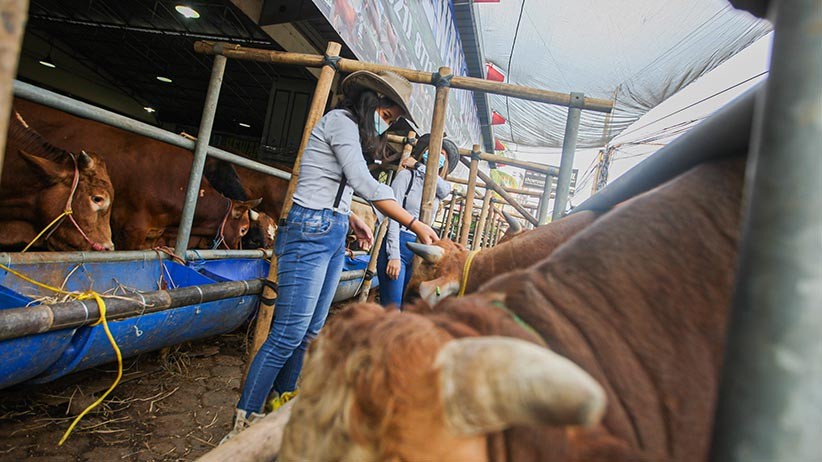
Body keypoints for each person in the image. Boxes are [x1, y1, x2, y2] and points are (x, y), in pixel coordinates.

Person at [222, 70, 439, 442]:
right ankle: (243, 422)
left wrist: (351, 217)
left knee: (310, 333)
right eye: (385, 115)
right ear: (371, 100)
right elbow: (362, 181)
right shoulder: (339, 121)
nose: (384, 123)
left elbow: (328, 181)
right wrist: (414, 223)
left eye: (389, 120)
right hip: (309, 231)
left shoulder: (351, 131)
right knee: (287, 334)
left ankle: (281, 407)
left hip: (332, 229)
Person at [376, 134, 456, 307]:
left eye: (442, 154)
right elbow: (393, 217)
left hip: (422, 251)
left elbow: (445, 190)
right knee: (392, 308)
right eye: (434, 152)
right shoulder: (406, 176)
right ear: (425, 152)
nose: (438, 156)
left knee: (410, 308)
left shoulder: (439, 188)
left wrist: (419, 166)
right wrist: (394, 255)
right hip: (399, 242)